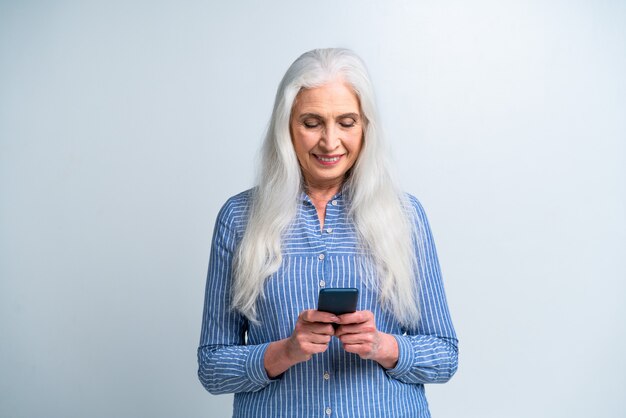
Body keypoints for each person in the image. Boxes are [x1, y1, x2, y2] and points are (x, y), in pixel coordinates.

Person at [197, 48, 458, 418]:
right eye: (312, 122)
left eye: (346, 122)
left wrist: (382, 346)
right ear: (287, 126)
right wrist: (286, 351)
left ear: (365, 126)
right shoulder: (239, 218)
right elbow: (212, 368)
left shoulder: (404, 216)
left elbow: (445, 355)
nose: (330, 141)